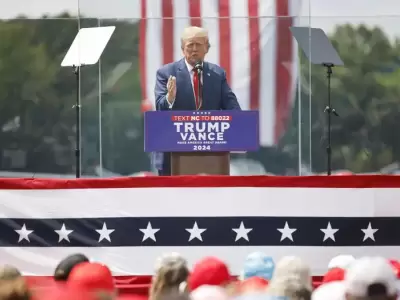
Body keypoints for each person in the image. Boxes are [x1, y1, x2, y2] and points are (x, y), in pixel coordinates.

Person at [153, 26, 241, 176]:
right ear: (182, 48)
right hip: (172, 155)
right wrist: (170, 97)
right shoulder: (166, 73)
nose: (194, 49)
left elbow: (232, 107)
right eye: (190, 45)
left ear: (207, 48)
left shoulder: (217, 74)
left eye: (198, 45)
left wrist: (239, 123)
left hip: (211, 155)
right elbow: (160, 109)